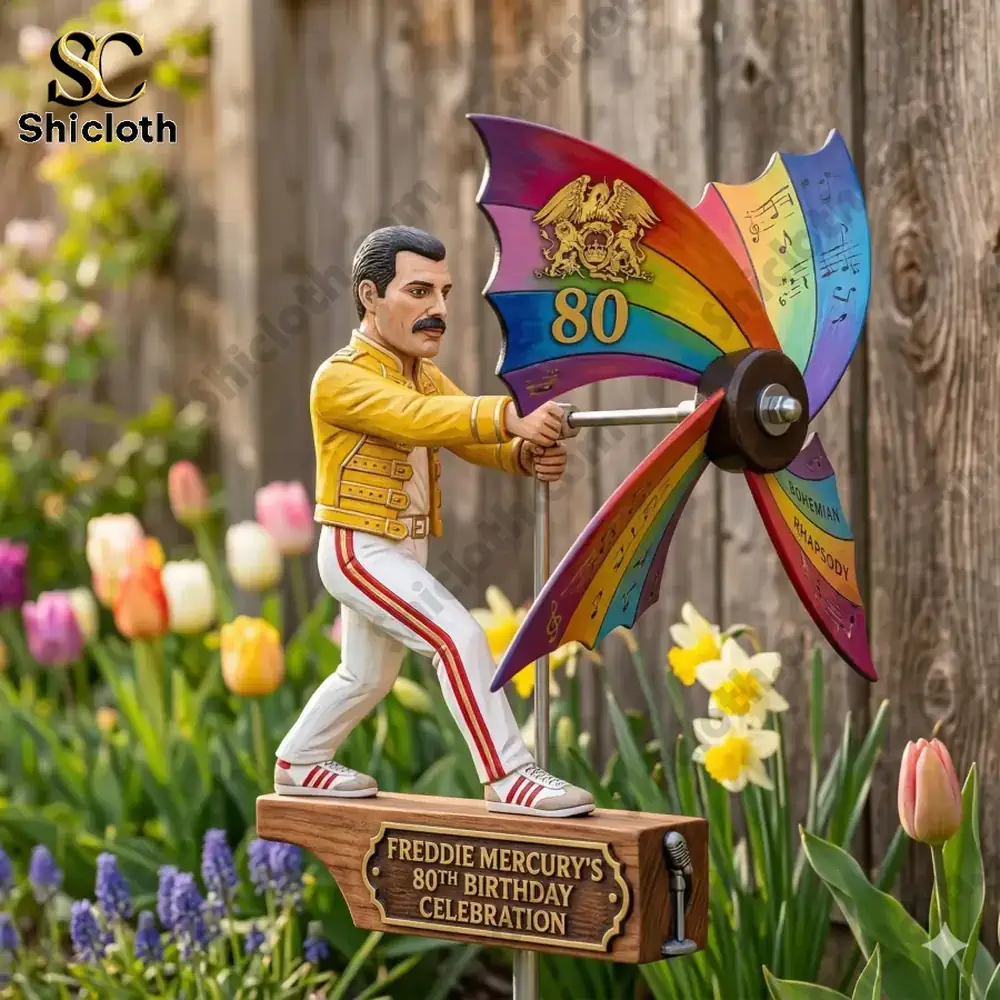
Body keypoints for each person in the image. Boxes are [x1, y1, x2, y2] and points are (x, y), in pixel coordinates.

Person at [274, 225, 594, 818]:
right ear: (370, 296)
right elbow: (419, 419)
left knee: (365, 676)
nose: (438, 310)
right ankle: (508, 776)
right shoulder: (341, 378)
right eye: (419, 292)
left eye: (443, 294)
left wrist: (523, 451)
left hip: (402, 549)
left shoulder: (420, 373)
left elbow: (460, 431)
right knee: (458, 635)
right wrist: (510, 416)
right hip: (360, 549)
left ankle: (299, 761)